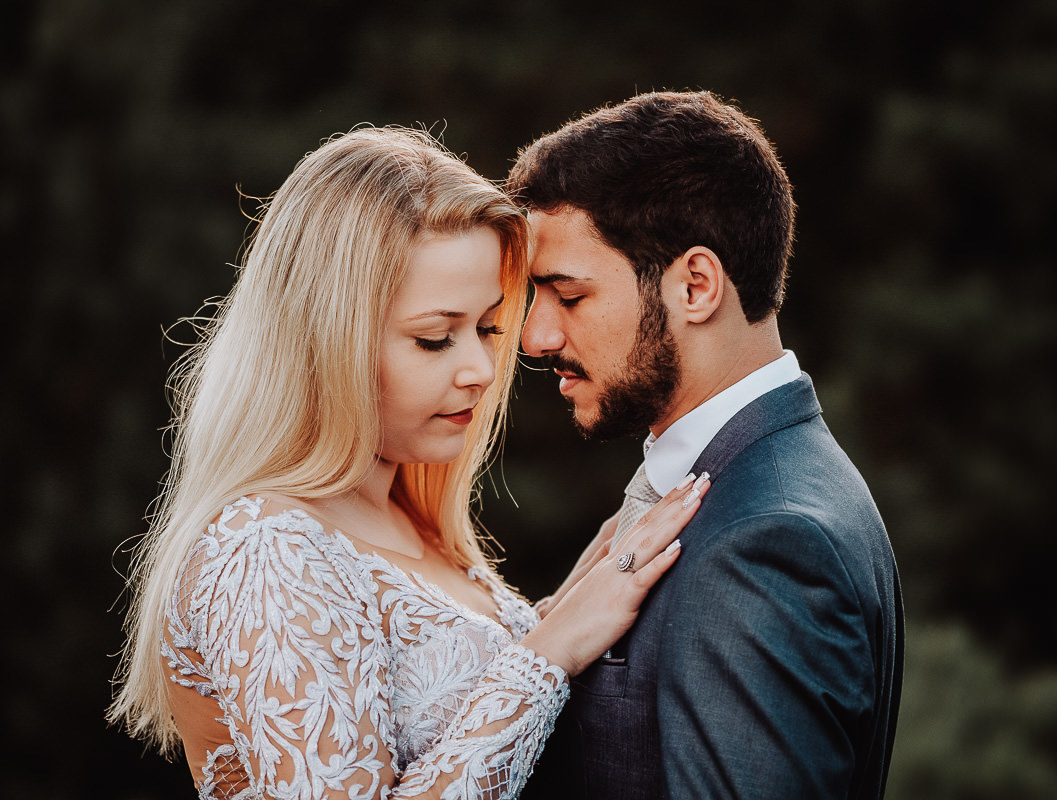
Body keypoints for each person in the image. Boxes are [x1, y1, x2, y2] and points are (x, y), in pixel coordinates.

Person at [108, 127, 710, 800]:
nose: (482, 370)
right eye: (434, 338)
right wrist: (550, 652)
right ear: (327, 340)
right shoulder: (267, 545)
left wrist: (563, 614)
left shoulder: (406, 522)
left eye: (487, 328)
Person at [507, 91, 904, 799]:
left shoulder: (770, 541)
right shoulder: (747, 485)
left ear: (695, 286)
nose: (535, 337)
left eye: (568, 295)